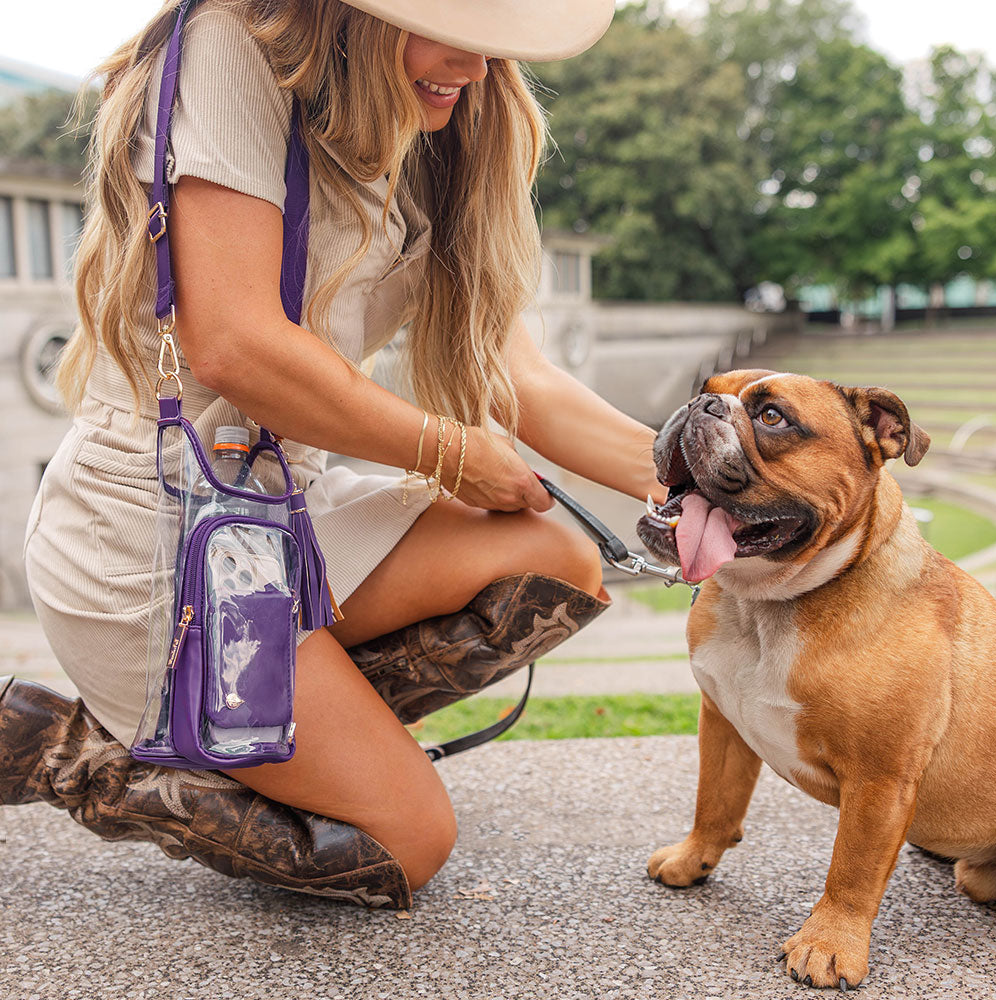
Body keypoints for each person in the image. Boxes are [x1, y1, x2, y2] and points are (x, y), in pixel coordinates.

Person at [7, 0, 666, 909]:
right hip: (161, 526)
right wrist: (448, 452)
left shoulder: (440, 127)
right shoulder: (229, 46)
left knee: (556, 559)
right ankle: (67, 751)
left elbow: (521, 380)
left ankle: (270, 739)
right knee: (407, 841)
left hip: (286, 516)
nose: (478, 66)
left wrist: (702, 485)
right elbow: (235, 345)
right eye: (448, 26)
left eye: (490, 37)